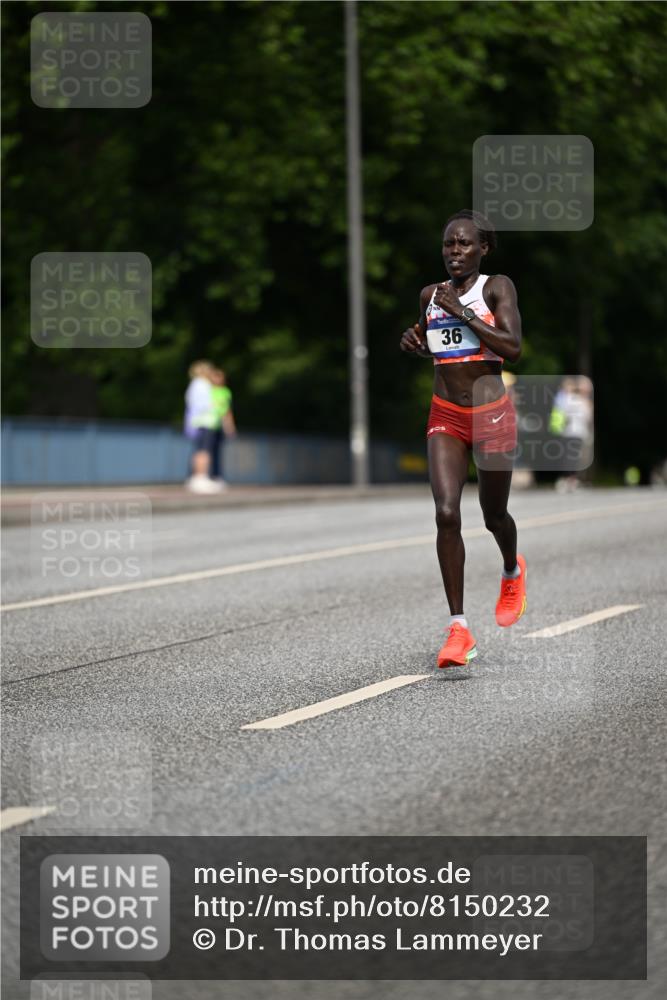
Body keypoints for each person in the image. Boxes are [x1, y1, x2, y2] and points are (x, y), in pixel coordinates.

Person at [400, 210, 526, 668]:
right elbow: (427, 334)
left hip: (491, 416)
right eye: (449, 245)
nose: (455, 252)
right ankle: (459, 629)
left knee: (494, 515)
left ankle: (512, 569)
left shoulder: (496, 287)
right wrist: (412, 341)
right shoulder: (430, 295)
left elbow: (512, 348)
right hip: (446, 416)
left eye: (465, 244)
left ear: (483, 248)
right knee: (447, 512)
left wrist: (467, 315)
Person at [184, 361, 222, 494]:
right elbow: (204, 405)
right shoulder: (203, 384)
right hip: (205, 421)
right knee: (204, 451)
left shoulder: (194, 384)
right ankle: (201, 478)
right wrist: (214, 407)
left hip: (198, 422)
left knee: (200, 450)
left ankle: (198, 477)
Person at [209, 367, 237, 486]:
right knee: (205, 451)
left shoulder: (226, 392)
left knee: (217, 451)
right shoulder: (208, 390)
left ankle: (217, 476)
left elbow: (228, 410)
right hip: (209, 423)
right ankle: (205, 476)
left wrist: (230, 426)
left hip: (220, 424)